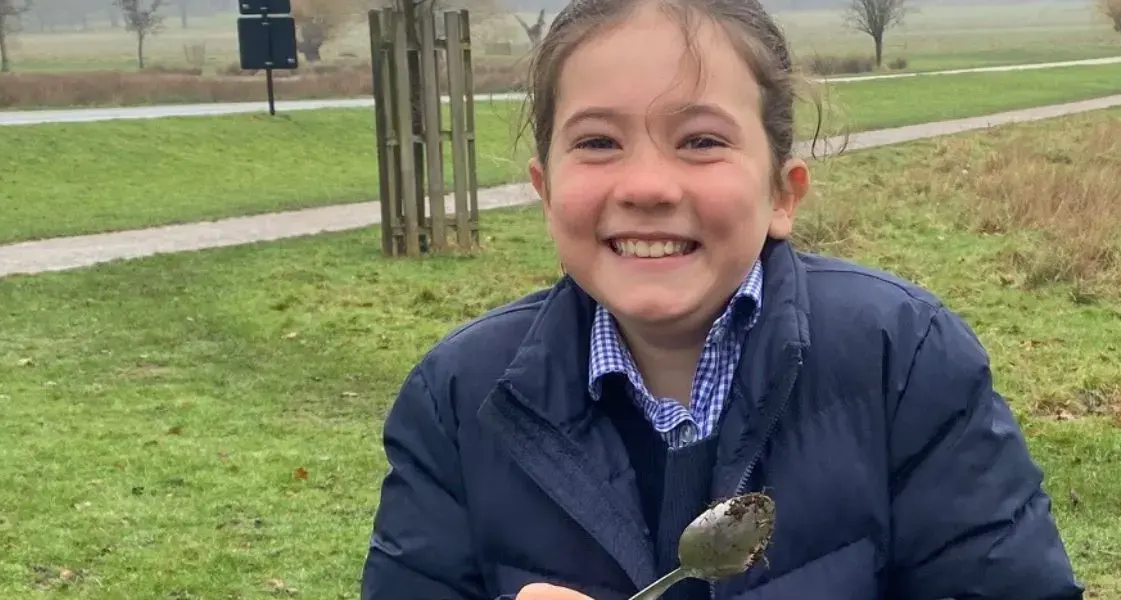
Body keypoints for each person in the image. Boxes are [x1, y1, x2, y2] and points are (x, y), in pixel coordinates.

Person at [360, 0, 1084, 597]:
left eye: (701, 140)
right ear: (545, 191)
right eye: (598, 143)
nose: (646, 186)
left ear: (781, 193)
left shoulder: (906, 362)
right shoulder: (455, 401)